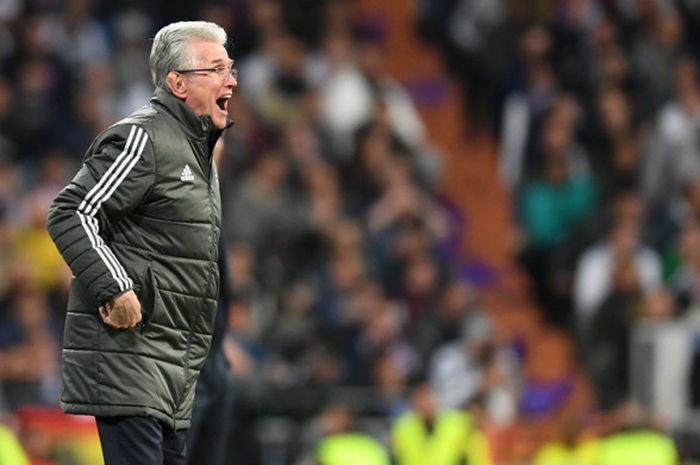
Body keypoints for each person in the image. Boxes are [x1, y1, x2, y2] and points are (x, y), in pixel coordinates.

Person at [45, 20, 236, 465]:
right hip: (130, 358)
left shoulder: (197, 153)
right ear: (177, 83)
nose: (231, 80)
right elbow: (71, 210)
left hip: (172, 369)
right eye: (216, 68)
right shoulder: (144, 137)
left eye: (231, 68)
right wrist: (114, 285)